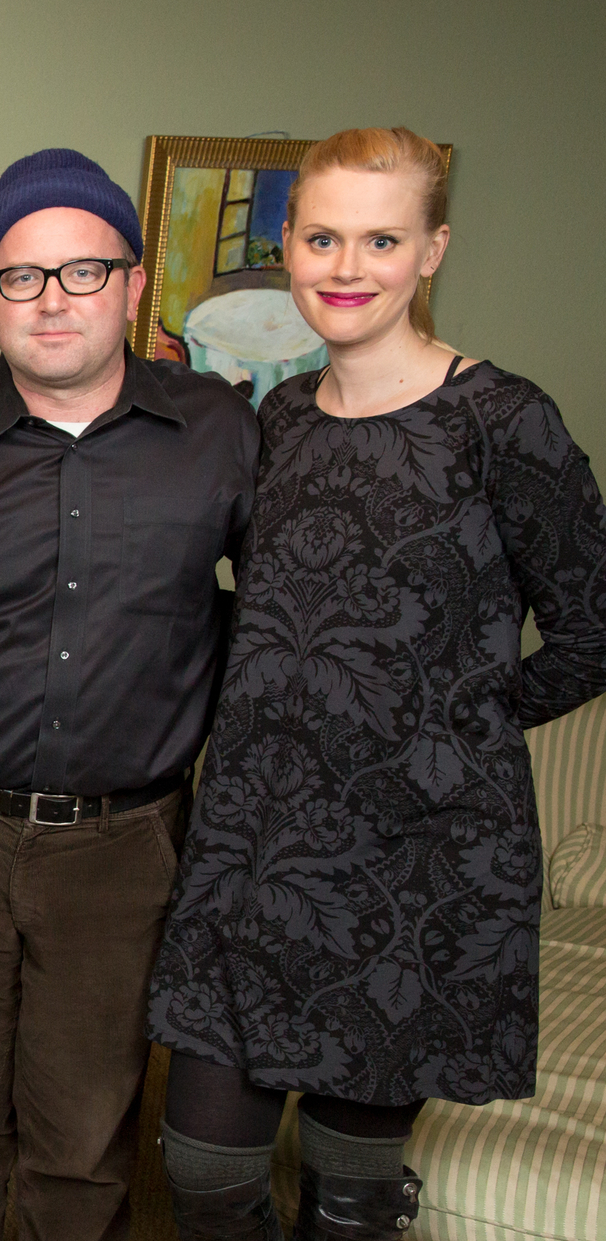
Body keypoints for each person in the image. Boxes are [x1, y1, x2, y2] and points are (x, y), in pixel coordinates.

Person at [147, 126, 606, 1241]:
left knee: (351, 1206)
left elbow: (593, 629)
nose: (347, 266)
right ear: (290, 248)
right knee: (204, 1174)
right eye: (323, 237)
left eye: (382, 238)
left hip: (416, 864)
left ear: (432, 250)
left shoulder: (502, 420)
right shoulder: (280, 423)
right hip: (255, 855)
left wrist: (460, 728)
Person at [0, 149, 258, 1241]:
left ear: (130, 285)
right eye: (23, 277)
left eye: (83, 271)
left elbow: (284, 621)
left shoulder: (222, 435)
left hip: (126, 844)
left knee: (83, 1136)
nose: (54, 299)